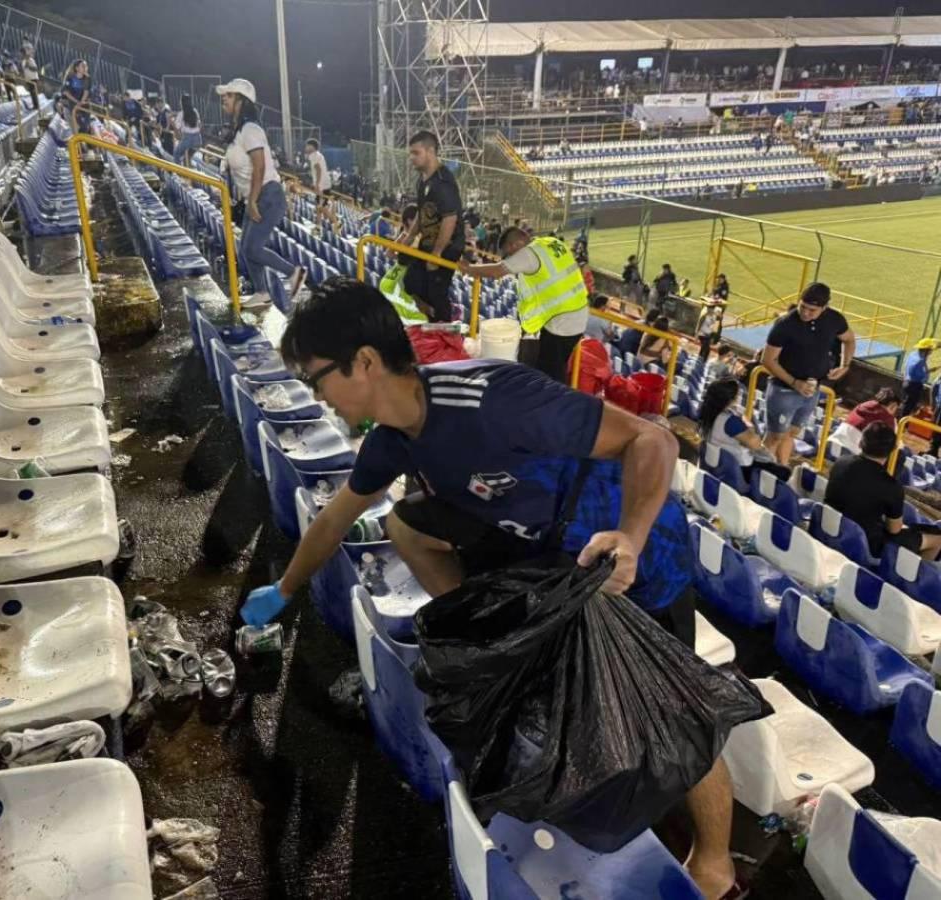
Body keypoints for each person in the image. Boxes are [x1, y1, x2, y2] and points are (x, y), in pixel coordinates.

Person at [243, 277, 741, 900]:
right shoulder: (394, 439)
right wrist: (285, 591)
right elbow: (335, 518)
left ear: (363, 362)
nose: (317, 395)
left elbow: (653, 438)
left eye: (318, 377)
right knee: (407, 522)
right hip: (551, 557)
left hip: (631, 554)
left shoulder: (493, 399)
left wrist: (631, 537)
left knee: (673, 714)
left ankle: (716, 863)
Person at [216, 77, 304, 308]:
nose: (224, 98)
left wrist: (253, 200)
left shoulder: (251, 129)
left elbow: (260, 165)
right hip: (255, 196)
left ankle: (294, 272)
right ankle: (262, 291)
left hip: (267, 195)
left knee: (253, 248)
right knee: (246, 249)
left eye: (230, 95)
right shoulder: (239, 132)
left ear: (242, 101)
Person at [460, 227, 589, 381]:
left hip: (561, 321)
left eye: (508, 254)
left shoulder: (528, 253)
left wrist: (469, 269)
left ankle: (551, 401)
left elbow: (497, 271)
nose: (510, 258)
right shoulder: (550, 242)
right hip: (578, 312)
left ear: (513, 245)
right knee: (556, 365)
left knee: (550, 370)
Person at [760, 282, 855, 467]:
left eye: (812, 310)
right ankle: (761, 472)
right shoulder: (785, 324)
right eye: (803, 307)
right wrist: (794, 383)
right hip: (784, 389)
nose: (805, 313)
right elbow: (768, 360)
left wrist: (845, 364)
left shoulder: (834, 320)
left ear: (824, 308)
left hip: (812, 388)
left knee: (791, 433)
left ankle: (781, 470)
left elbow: (849, 339)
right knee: (775, 436)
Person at [826, 422, 941, 561]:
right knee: (937, 540)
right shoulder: (891, 486)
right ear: (892, 450)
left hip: (829, 525)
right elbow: (894, 530)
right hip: (865, 543)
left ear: (861, 442)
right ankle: (910, 579)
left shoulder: (841, 462)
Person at [400, 130, 463, 323]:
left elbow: (450, 218)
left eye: (416, 153)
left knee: (436, 293)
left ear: (430, 151)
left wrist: (437, 253)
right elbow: (421, 213)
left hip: (447, 246)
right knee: (411, 281)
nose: (411, 158)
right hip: (428, 244)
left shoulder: (442, 182)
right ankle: (432, 320)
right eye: (410, 153)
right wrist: (407, 239)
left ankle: (444, 332)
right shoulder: (423, 181)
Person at [698, 378, 791, 482]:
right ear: (731, 398)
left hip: (715, 464)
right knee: (784, 472)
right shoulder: (730, 421)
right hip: (739, 469)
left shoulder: (706, 412)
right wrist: (749, 426)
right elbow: (755, 444)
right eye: (738, 394)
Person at [832, 387, 901, 454]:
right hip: (850, 455)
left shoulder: (862, 405)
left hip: (830, 444)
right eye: (896, 410)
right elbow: (895, 445)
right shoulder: (888, 419)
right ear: (893, 406)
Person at [901, 337, 937, 418]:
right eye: (930, 349)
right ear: (926, 350)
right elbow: (920, 376)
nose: (931, 351)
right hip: (914, 385)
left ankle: (902, 419)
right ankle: (903, 423)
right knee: (910, 405)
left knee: (906, 403)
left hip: (906, 382)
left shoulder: (913, 354)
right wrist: (929, 372)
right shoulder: (919, 361)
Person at [61, 59, 91, 135]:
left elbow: (86, 92)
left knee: (85, 128)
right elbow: (65, 92)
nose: (85, 68)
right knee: (75, 130)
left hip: (82, 107)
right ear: (77, 68)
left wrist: (81, 103)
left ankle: (82, 144)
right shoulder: (70, 77)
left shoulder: (87, 79)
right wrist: (77, 102)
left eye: (86, 66)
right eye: (83, 66)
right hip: (70, 107)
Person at [172, 93, 201, 167]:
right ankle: (191, 171)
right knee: (187, 158)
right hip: (198, 139)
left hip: (188, 139)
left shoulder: (181, 114)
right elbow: (199, 124)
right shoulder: (195, 111)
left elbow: (177, 127)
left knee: (176, 154)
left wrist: (172, 122)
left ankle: (178, 172)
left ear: (181, 103)